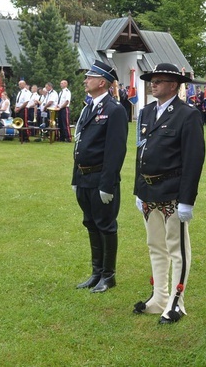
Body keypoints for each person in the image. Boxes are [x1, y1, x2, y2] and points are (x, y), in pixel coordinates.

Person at [133, 62, 206, 325]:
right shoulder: (146, 112)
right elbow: (140, 153)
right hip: (148, 190)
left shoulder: (187, 115)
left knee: (177, 249)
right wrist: (137, 189)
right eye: (152, 80)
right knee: (155, 246)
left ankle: (177, 301)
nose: (153, 84)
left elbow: (193, 160)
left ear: (173, 85)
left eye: (159, 80)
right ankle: (159, 297)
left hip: (172, 192)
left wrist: (187, 200)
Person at [72, 61, 128, 293]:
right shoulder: (88, 108)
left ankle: (108, 275)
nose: (85, 80)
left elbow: (115, 151)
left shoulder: (114, 110)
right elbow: (79, 146)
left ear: (102, 82)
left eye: (89, 77)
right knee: (90, 223)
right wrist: (75, 178)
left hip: (100, 179)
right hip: (84, 178)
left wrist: (107, 184)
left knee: (105, 225)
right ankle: (96, 273)